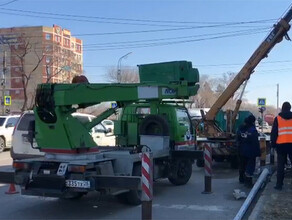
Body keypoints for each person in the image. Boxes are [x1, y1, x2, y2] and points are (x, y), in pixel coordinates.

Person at [271, 101, 292, 190]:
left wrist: (273, 144)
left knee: (280, 166)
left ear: (282, 108)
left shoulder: (278, 118)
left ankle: (279, 185)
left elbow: (274, 133)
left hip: (281, 145)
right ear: (290, 108)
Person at [237, 114, 261, 188]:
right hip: (250, 151)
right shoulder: (253, 130)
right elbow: (255, 142)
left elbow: (237, 139)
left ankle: (241, 179)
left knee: (242, 164)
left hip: (241, 150)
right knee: (250, 166)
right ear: (253, 122)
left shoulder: (241, 128)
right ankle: (248, 182)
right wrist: (258, 152)